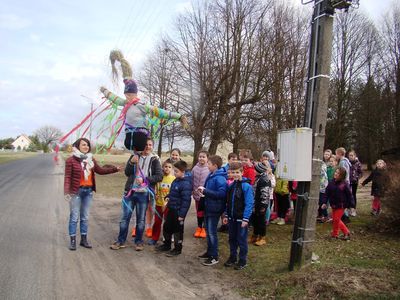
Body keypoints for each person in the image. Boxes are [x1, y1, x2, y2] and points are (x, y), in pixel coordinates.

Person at [100, 50, 187, 153]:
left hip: (140, 137)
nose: (127, 97)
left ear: (135, 94)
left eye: (130, 94)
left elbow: (161, 112)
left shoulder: (142, 106)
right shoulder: (125, 103)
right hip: (129, 137)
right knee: (131, 150)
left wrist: (178, 116)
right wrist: (104, 91)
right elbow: (114, 98)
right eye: (126, 95)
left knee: (140, 152)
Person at [64, 138, 120, 251]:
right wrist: (66, 191)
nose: (86, 147)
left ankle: (83, 240)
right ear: (77, 146)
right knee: (74, 217)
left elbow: (100, 170)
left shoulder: (91, 159)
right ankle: (73, 241)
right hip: (76, 192)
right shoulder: (71, 160)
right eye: (83, 145)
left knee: (85, 217)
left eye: (87, 145)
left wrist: (114, 169)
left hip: (88, 191)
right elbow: (68, 177)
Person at [110, 138, 162, 251]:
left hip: (143, 194)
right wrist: (131, 162)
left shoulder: (155, 160)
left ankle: (139, 242)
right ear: (141, 145)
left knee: (141, 220)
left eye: (150, 145)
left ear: (152, 146)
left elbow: (159, 176)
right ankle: (120, 241)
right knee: (125, 218)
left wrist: (145, 180)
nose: (148, 147)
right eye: (146, 144)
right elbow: (127, 173)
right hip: (130, 192)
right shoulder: (135, 156)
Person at [155, 161, 192, 256]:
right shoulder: (176, 180)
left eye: (176, 171)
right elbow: (172, 193)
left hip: (178, 212)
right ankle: (166, 245)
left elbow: (186, 201)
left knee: (177, 231)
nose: (174, 173)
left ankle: (177, 249)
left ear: (183, 172)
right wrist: (167, 196)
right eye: (174, 171)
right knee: (167, 227)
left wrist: (182, 215)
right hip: (171, 209)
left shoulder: (186, 184)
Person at [223, 162, 254, 270]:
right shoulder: (231, 186)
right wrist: (226, 215)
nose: (235, 174)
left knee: (241, 239)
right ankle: (232, 257)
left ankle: (242, 260)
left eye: (237, 172)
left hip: (241, 219)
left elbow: (249, 203)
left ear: (242, 172)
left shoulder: (247, 186)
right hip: (232, 218)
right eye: (233, 172)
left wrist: (246, 218)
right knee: (232, 239)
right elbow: (228, 202)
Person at [197, 155, 227, 266]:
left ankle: (214, 256)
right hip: (208, 207)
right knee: (208, 232)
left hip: (215, 209)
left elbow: (222, 194)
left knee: (212, 233)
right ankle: (209, 252)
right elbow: (209, 191)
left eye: (209, 164)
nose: (207, 165)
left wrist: (206, 191)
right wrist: (203, 193)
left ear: (215, 165)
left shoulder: (220, 178)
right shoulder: (211, 175)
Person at [148, 160, 175, 246]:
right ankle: (154, 238)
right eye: (165, 166)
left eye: (169, 167)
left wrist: (168, 202)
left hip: (168, 206)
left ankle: (168, 238)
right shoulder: (159, 178)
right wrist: (155, 194)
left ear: (172, 169)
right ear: (162, 168)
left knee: (168, 222)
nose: (167, 168)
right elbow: (155, 188)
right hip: (159, 204)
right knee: (157, 222)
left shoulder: (173, 179)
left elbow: (174, 192)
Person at [322, 167, 353, 240]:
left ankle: (335, 235)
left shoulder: (344, 184)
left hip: (341, 205)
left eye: (338, 173)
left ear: (342, 175)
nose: (336, 174)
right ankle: (347, 233)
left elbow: (349, 194)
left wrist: (351, 205)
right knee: (336, 219)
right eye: (336, 172)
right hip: (333, 204)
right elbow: (326, 193)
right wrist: (324, 202)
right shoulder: (331, 182)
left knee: (336, 219)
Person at [251, 162, 272, 246]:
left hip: (261, 204)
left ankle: (262, 237)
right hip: (255, 203)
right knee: (255, 219)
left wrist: (263, 206)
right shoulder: (258, 178)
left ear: (258, 170)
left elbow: (265, 194)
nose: (253, 171)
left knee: (261, 221)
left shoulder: (264, 180)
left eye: (255, 169)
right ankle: (255, 235)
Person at [192, 150, 210, 238]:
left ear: (207, 158)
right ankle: (199, 227)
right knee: (199, 212)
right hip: (196, 195)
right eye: (200, 157)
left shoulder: (209, 169)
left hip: (205, 196)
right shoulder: (194, 168)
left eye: (203, 157)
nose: (201, 158)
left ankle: (204, 229)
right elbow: (191, 180)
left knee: (205, 212)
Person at [348, 150, 362, 217]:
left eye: (352, 155)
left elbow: (361, 173)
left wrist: (356, 177)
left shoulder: (358, 163)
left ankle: (353, 209)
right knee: (347, 195)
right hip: (347, 181)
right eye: (349, 155)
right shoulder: (347, 162)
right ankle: (348, 209)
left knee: (353, 195)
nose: (350, 157)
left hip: (354, 182)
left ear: (355, 156)